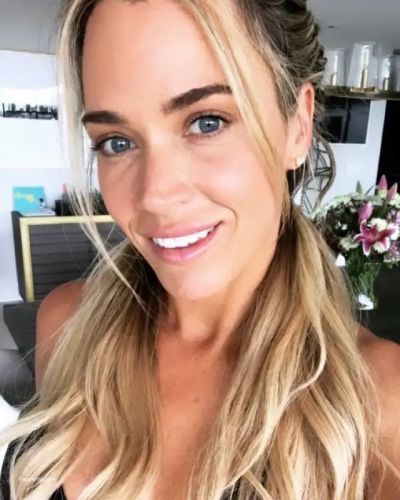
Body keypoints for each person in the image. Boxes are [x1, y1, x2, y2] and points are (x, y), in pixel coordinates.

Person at [1, 0, 400, 498]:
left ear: (297, 125)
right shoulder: (67, 325)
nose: (155, 195)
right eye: (116, 142)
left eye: (207, 122)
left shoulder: (380, 403)